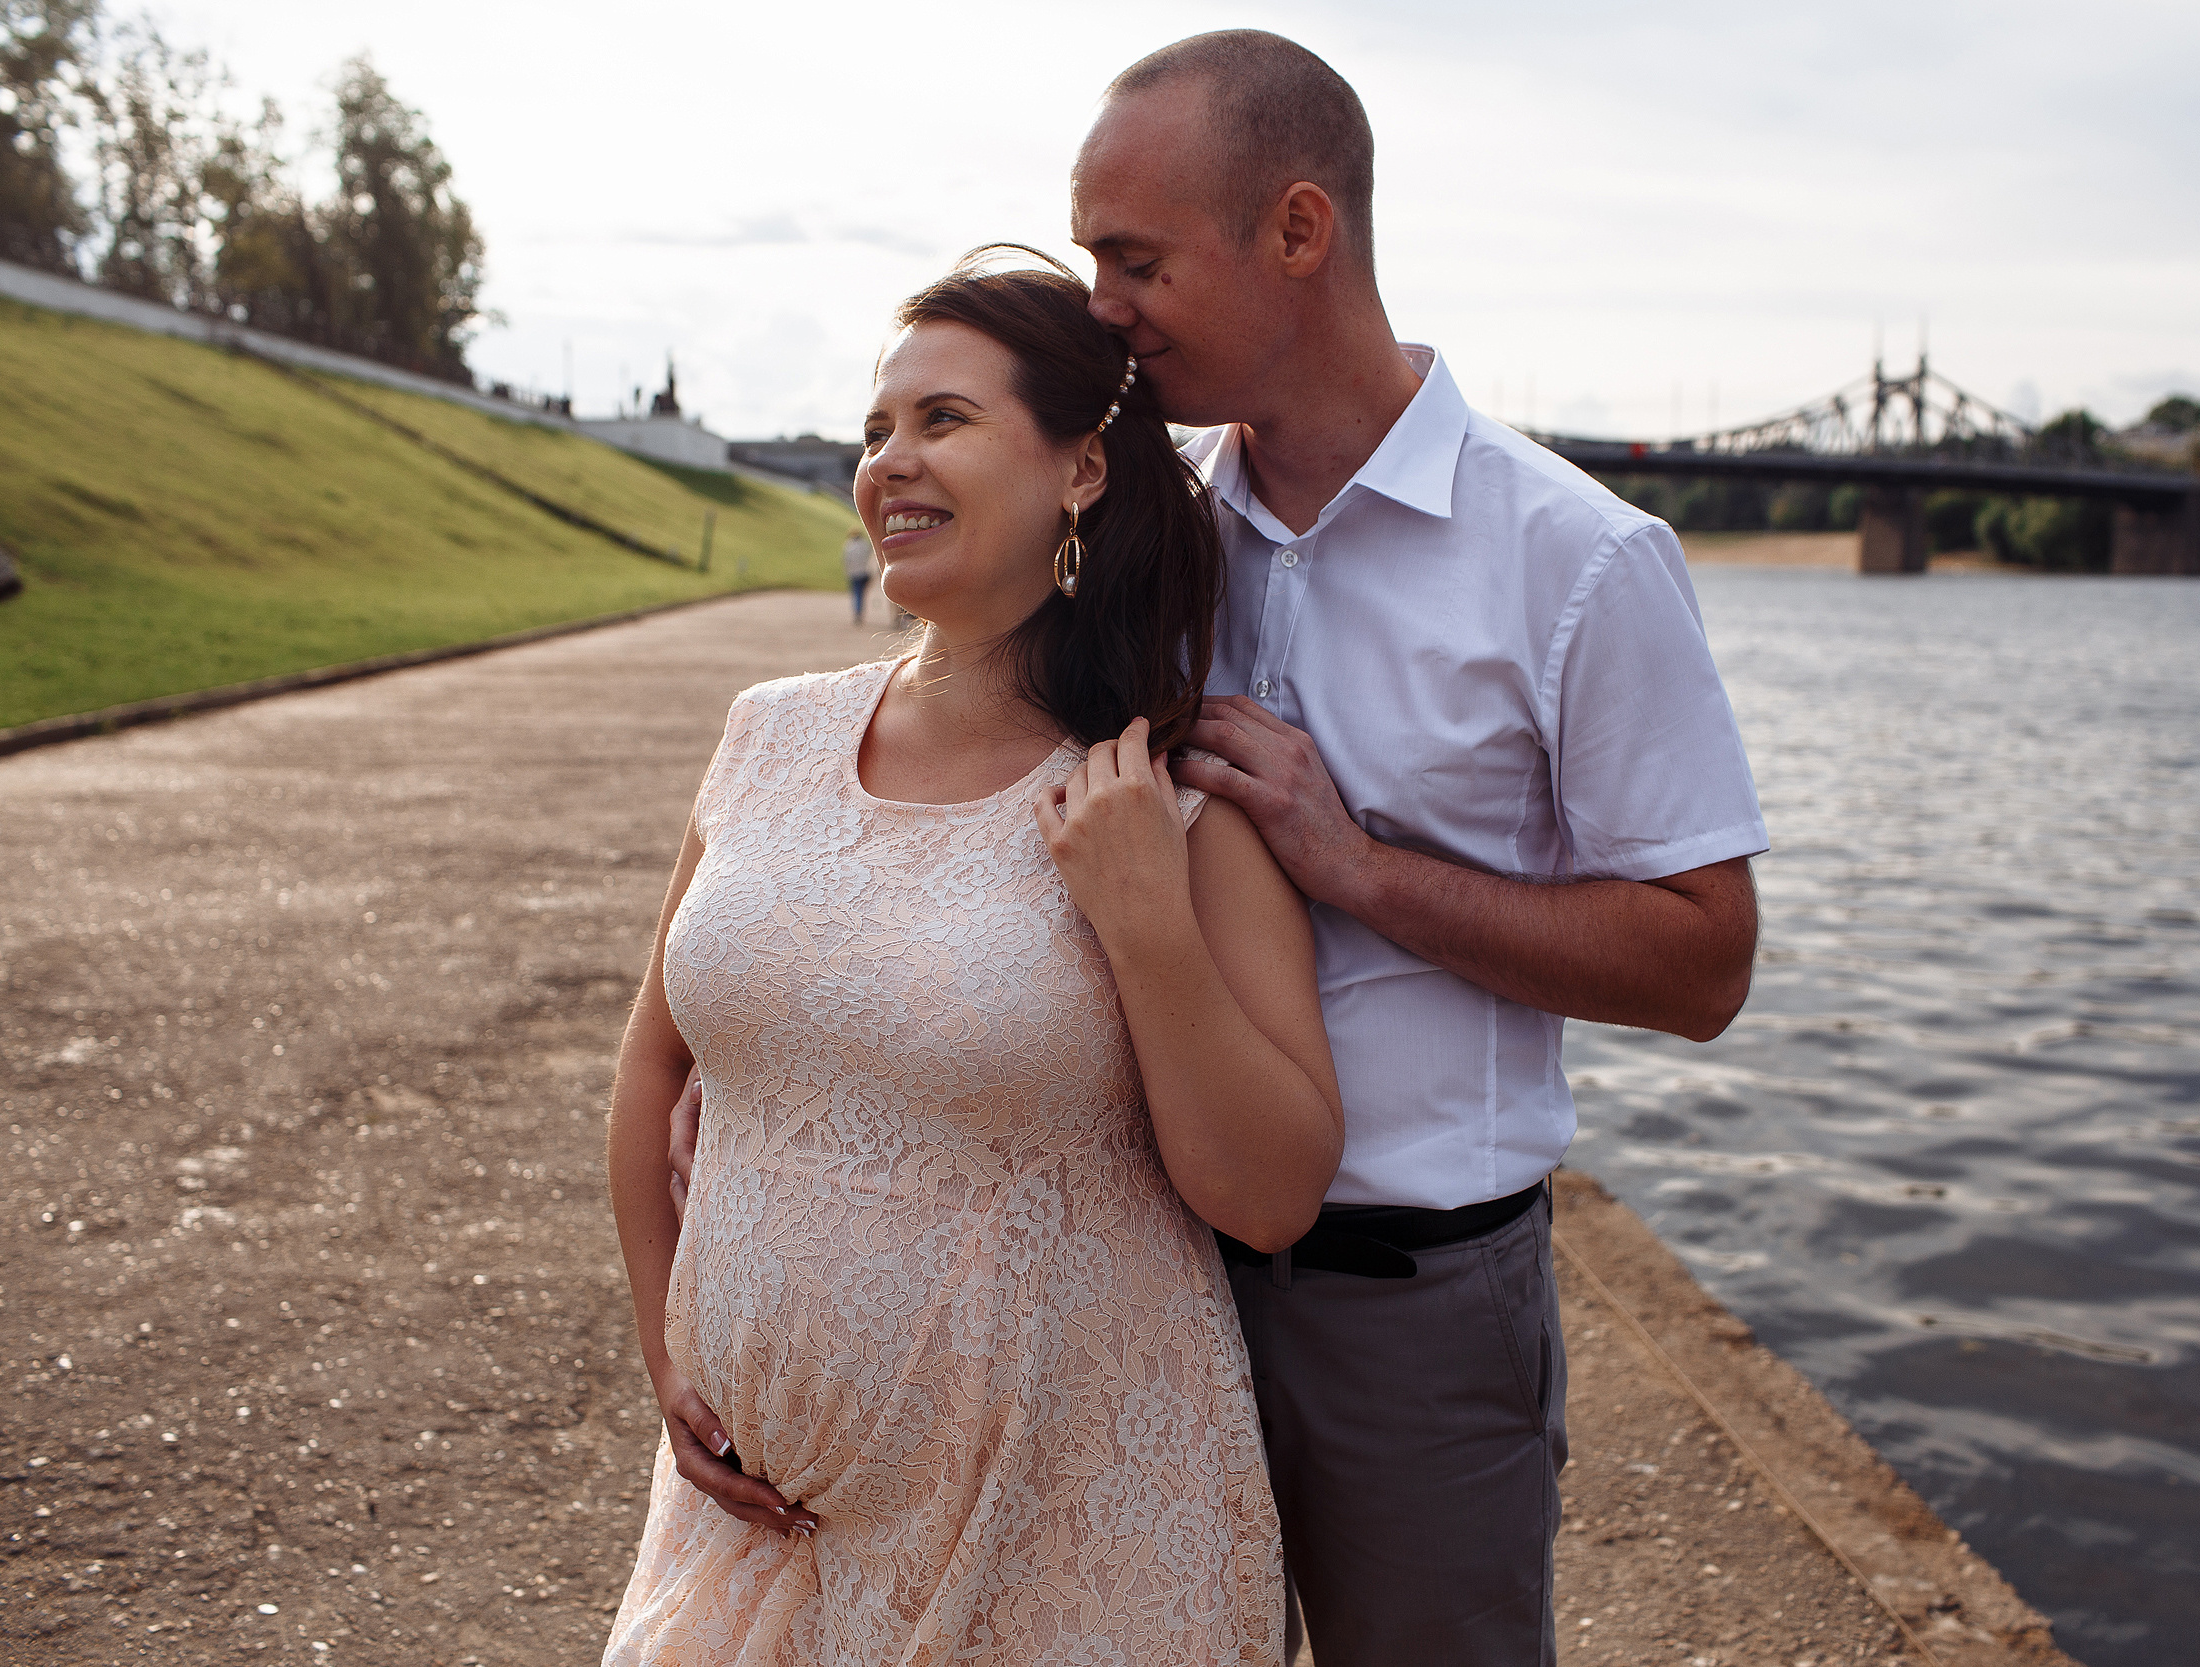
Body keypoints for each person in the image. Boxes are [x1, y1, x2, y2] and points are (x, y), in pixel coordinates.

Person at [1065, 31, 1770, 1665]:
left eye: (1136, 257)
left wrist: (1364, 867)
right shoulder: (1140, 529)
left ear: (1298, 233)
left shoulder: (1578, 559)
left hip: (1421, 1325)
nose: (1102, 300)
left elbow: (1707, 959)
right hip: (1151, 1285)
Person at [602, 250, 1343, 1664]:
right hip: (752, 1521)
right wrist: (667, 1352)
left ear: (1081, 471)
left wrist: (1145, 925)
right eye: (876, 429)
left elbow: (1275, 1189)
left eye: (942, 419)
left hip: (1059, 1541)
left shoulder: (1167, 798)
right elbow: (651, 1062)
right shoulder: (769, 732)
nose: (889, 461)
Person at [841, 525, 875, 624]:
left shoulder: (848, 546)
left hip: (853, 574)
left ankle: (857, 612)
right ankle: (860, 612)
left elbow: (846, 561)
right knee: (862, 594)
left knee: (856, 594)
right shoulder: (865, 545)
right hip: (864, 573)